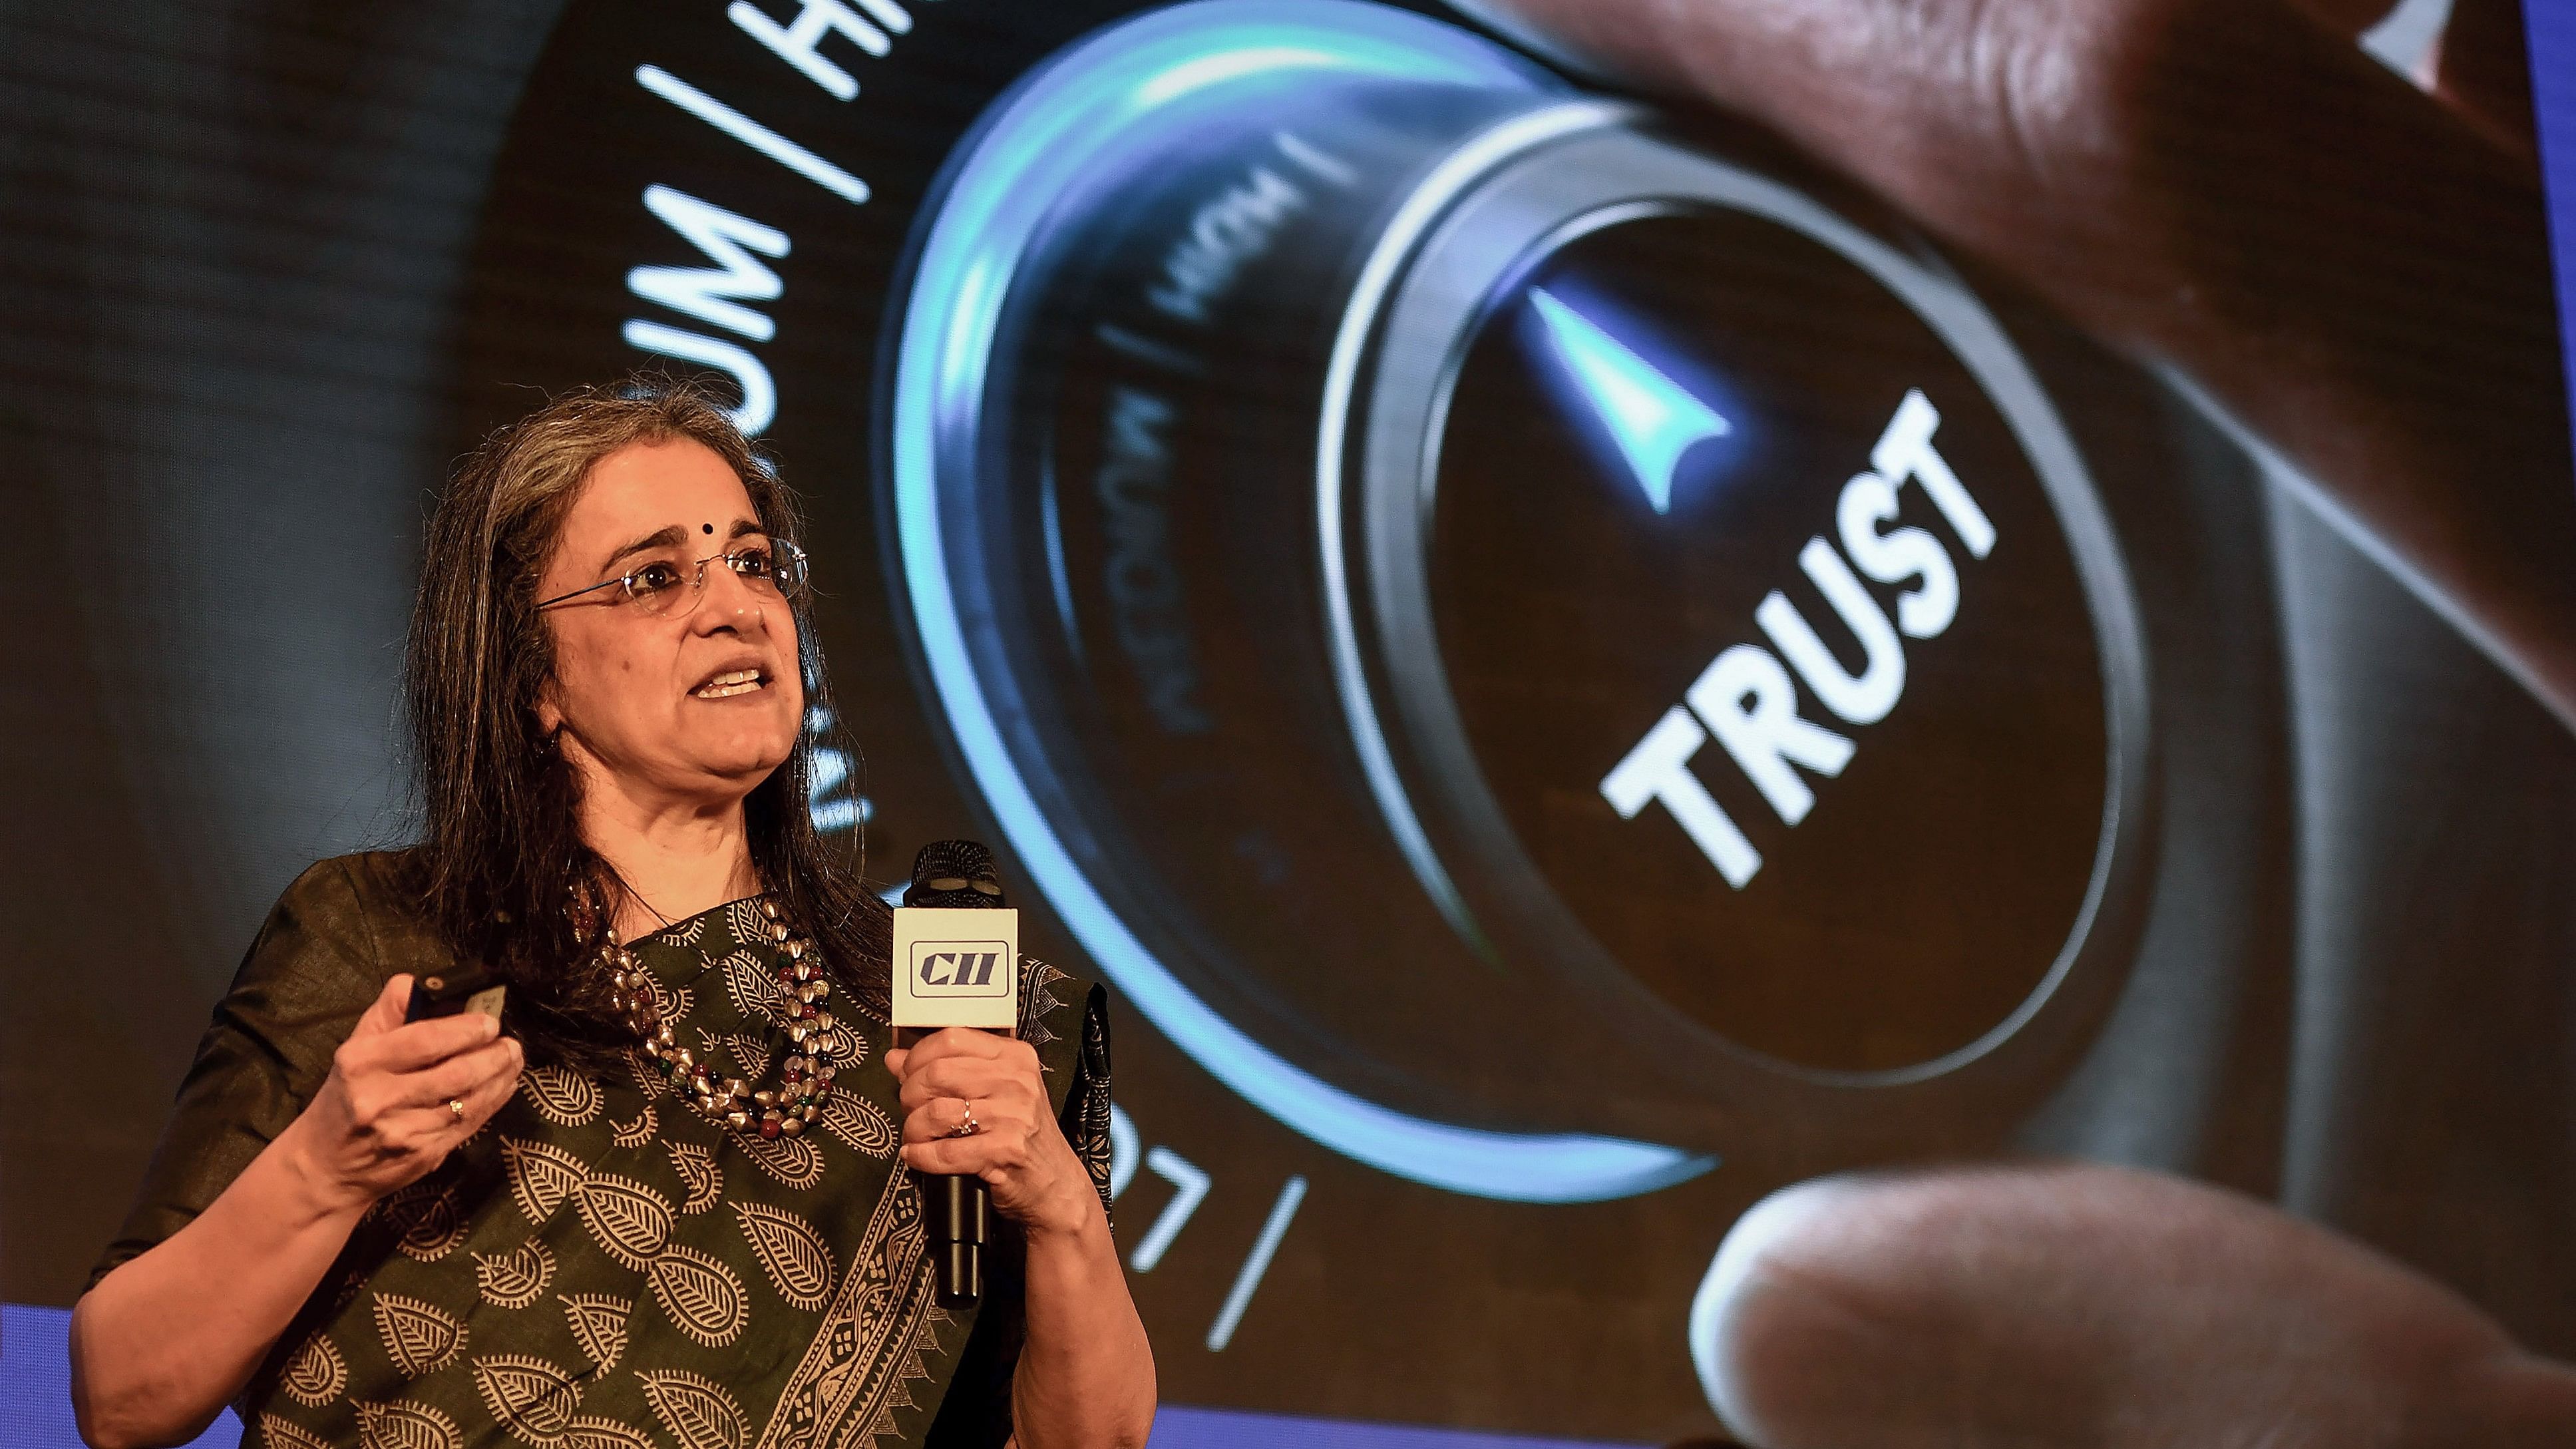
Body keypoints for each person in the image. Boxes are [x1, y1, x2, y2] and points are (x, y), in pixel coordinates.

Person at [67, 380, 1156, 1449]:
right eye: (653, 578)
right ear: (533, 672)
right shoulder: (386, 933)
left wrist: (1058, 1204)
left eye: (752, 562)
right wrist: (327, 1165)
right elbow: (121, 1397)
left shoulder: (929, 1004)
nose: (733, 605)